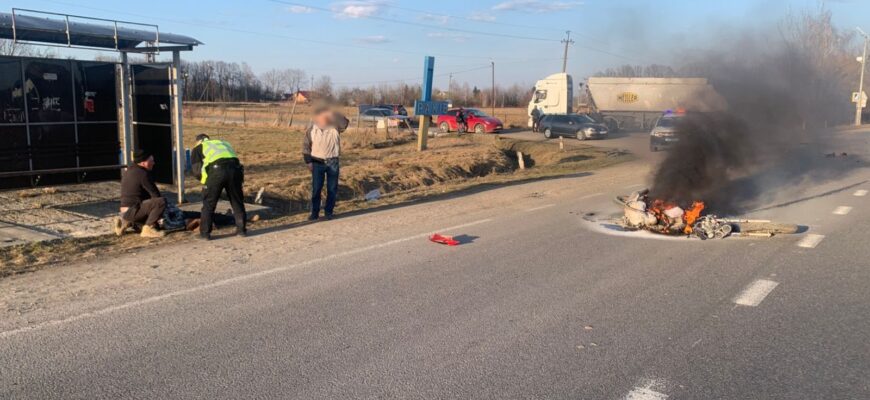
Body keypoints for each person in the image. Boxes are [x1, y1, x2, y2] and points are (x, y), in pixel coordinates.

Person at [191, 134, 246, 240]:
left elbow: (197, 171)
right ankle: (241, 230)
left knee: (209, 204)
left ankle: (205, 234)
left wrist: (206, 183)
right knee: (237, 201)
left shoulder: (198, 147)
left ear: (198, 141)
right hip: (235, 170)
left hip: (217, 171)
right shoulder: (223, 143)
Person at [302, 108, 348, 221]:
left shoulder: (336, 127)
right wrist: (308, 162)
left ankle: (328, 212)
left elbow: (345, 123)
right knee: (316, 189)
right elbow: (306, 147)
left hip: (333, 161)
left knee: (332, 189)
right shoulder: (311, 130)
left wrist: (334, 113)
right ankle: (314, 213)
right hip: (317, 162)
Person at [114, 149, 166, 238]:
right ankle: (148, 228)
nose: (154, 163)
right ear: (143, 162)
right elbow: (156, 196)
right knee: (161, 202)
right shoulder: (143, 174)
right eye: (151, 161)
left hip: (125, 211)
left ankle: (124, 223)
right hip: (134, 210)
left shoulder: (129, 171)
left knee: (153, 226)